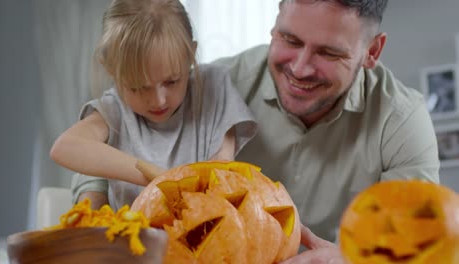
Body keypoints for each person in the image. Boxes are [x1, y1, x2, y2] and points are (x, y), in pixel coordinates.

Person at [72, 0, 441, 263]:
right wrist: (93, 208)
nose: (300, 68)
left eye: (328, 53)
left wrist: (349, 259)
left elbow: (421, 244)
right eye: (290, 40)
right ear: (274, 24)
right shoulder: (210, 87)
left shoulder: (401, 119)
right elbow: (121, 129)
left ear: (372, 51)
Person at [50, 0, 257, 211]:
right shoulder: (113, 110)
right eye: (139, 87)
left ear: (191, 55)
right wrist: (157, 177)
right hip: (131, 241)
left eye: (172, 81)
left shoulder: (215, 87)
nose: (158, 100)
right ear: (111, 69)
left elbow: (221, 168)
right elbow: (64, 147)